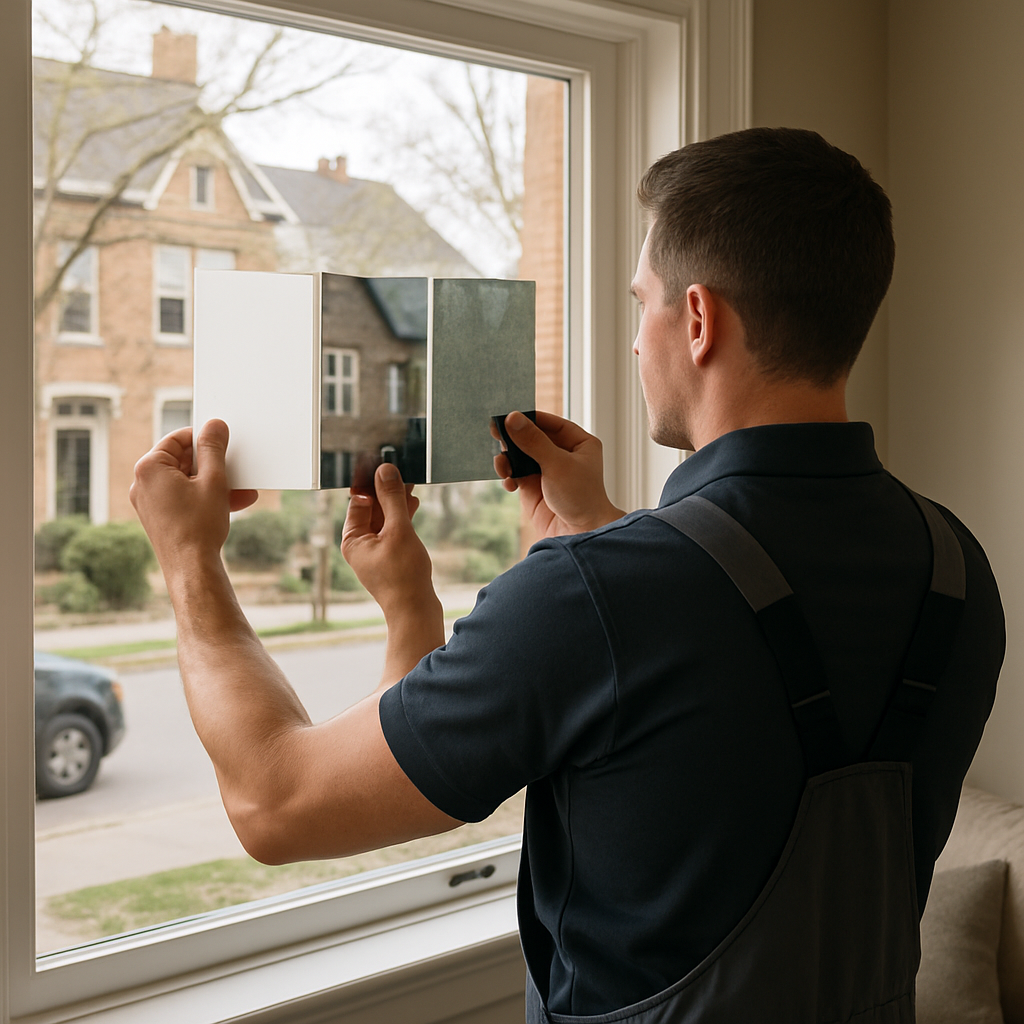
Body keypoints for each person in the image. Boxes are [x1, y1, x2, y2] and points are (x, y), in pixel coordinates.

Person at [131, 128, 1005, 1023]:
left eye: (643, 305)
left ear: (697, 321)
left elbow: (278, 803)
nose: (635, 343)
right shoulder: (956, 565)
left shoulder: (601, 596)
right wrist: (436, 597)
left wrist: (189, 559)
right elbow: (746, 698)